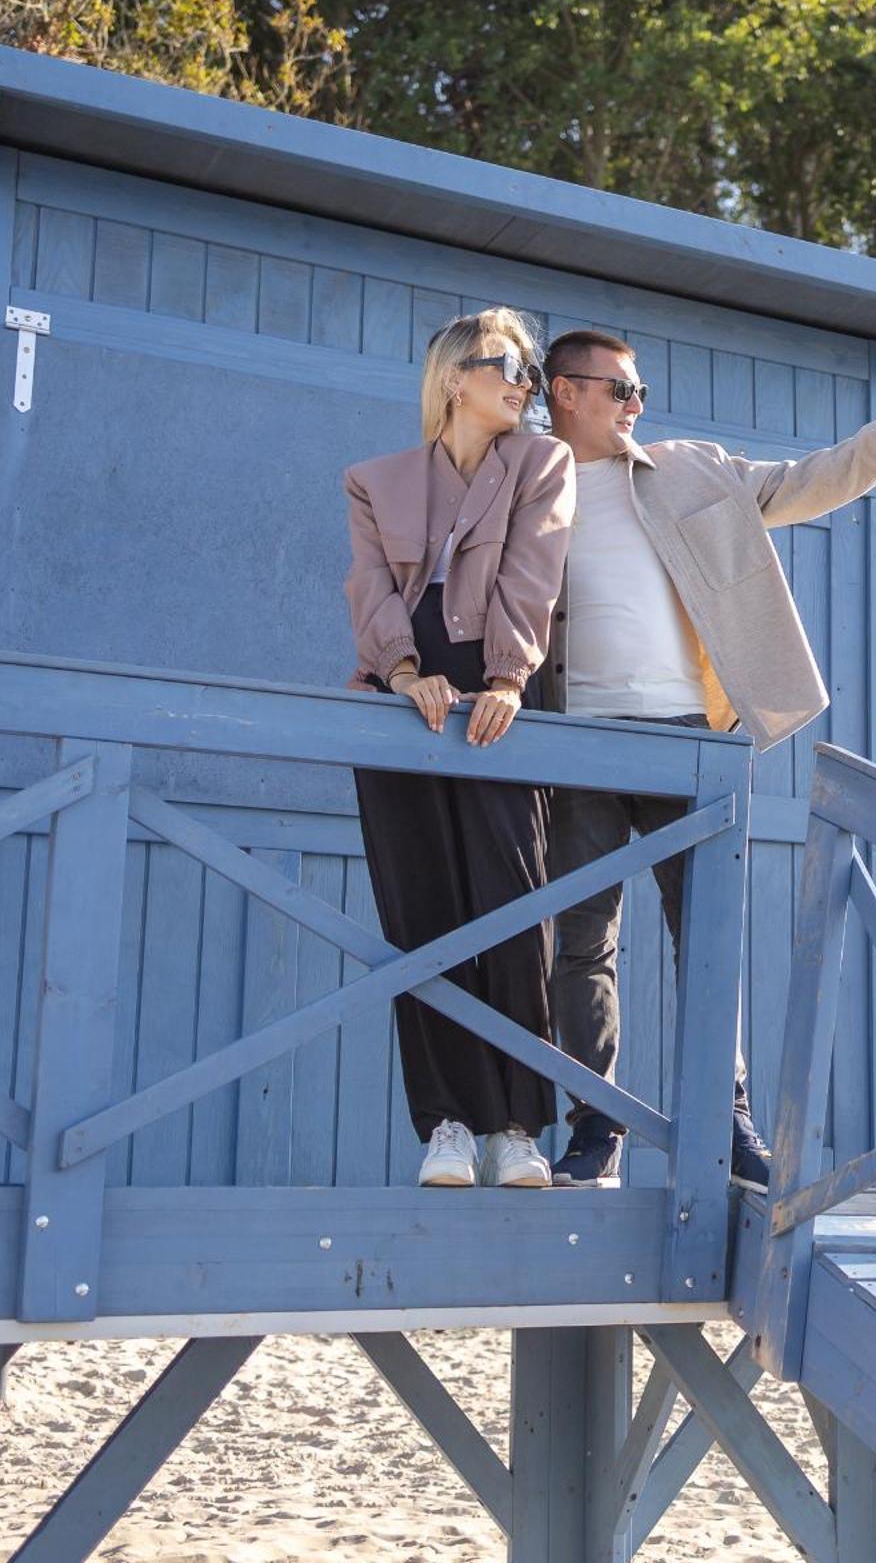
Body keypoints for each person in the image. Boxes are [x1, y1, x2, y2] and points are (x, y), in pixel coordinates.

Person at [537, 327, 876, 1186]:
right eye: (620, 390)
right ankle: (596, 1129)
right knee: (580, 944)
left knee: (704, 935)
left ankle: (727, 1124)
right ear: (565, 392)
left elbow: (803, 482)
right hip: (575, 737)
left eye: (640, 391)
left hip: (687, 740)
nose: (637, 404)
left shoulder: (691, 468)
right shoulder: (526, 485)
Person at [344, 307, 576, 1189]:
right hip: (400, 695)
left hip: (497, 691)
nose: (524, 380)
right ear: (453, 377)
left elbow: (533, 575)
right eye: (505, 364)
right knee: (421, 915)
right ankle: (443, 1125)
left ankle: (516, 1127)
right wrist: (403, 672)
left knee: (514, 908)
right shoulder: (374, 480)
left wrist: (510, 678)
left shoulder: (541, 463)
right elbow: (370, 586)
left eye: (527, 365)